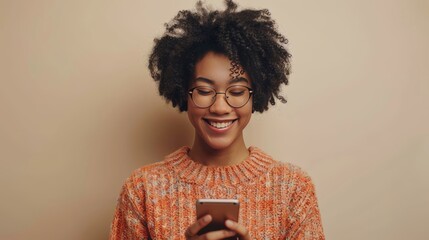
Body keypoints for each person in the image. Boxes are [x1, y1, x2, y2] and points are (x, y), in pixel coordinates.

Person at [110, 0, 325, 239]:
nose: (220, 107)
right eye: (204, 91)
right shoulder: (142, 190)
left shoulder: (293, 188)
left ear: (257, 96)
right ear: (184, 93)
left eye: (236, 92)